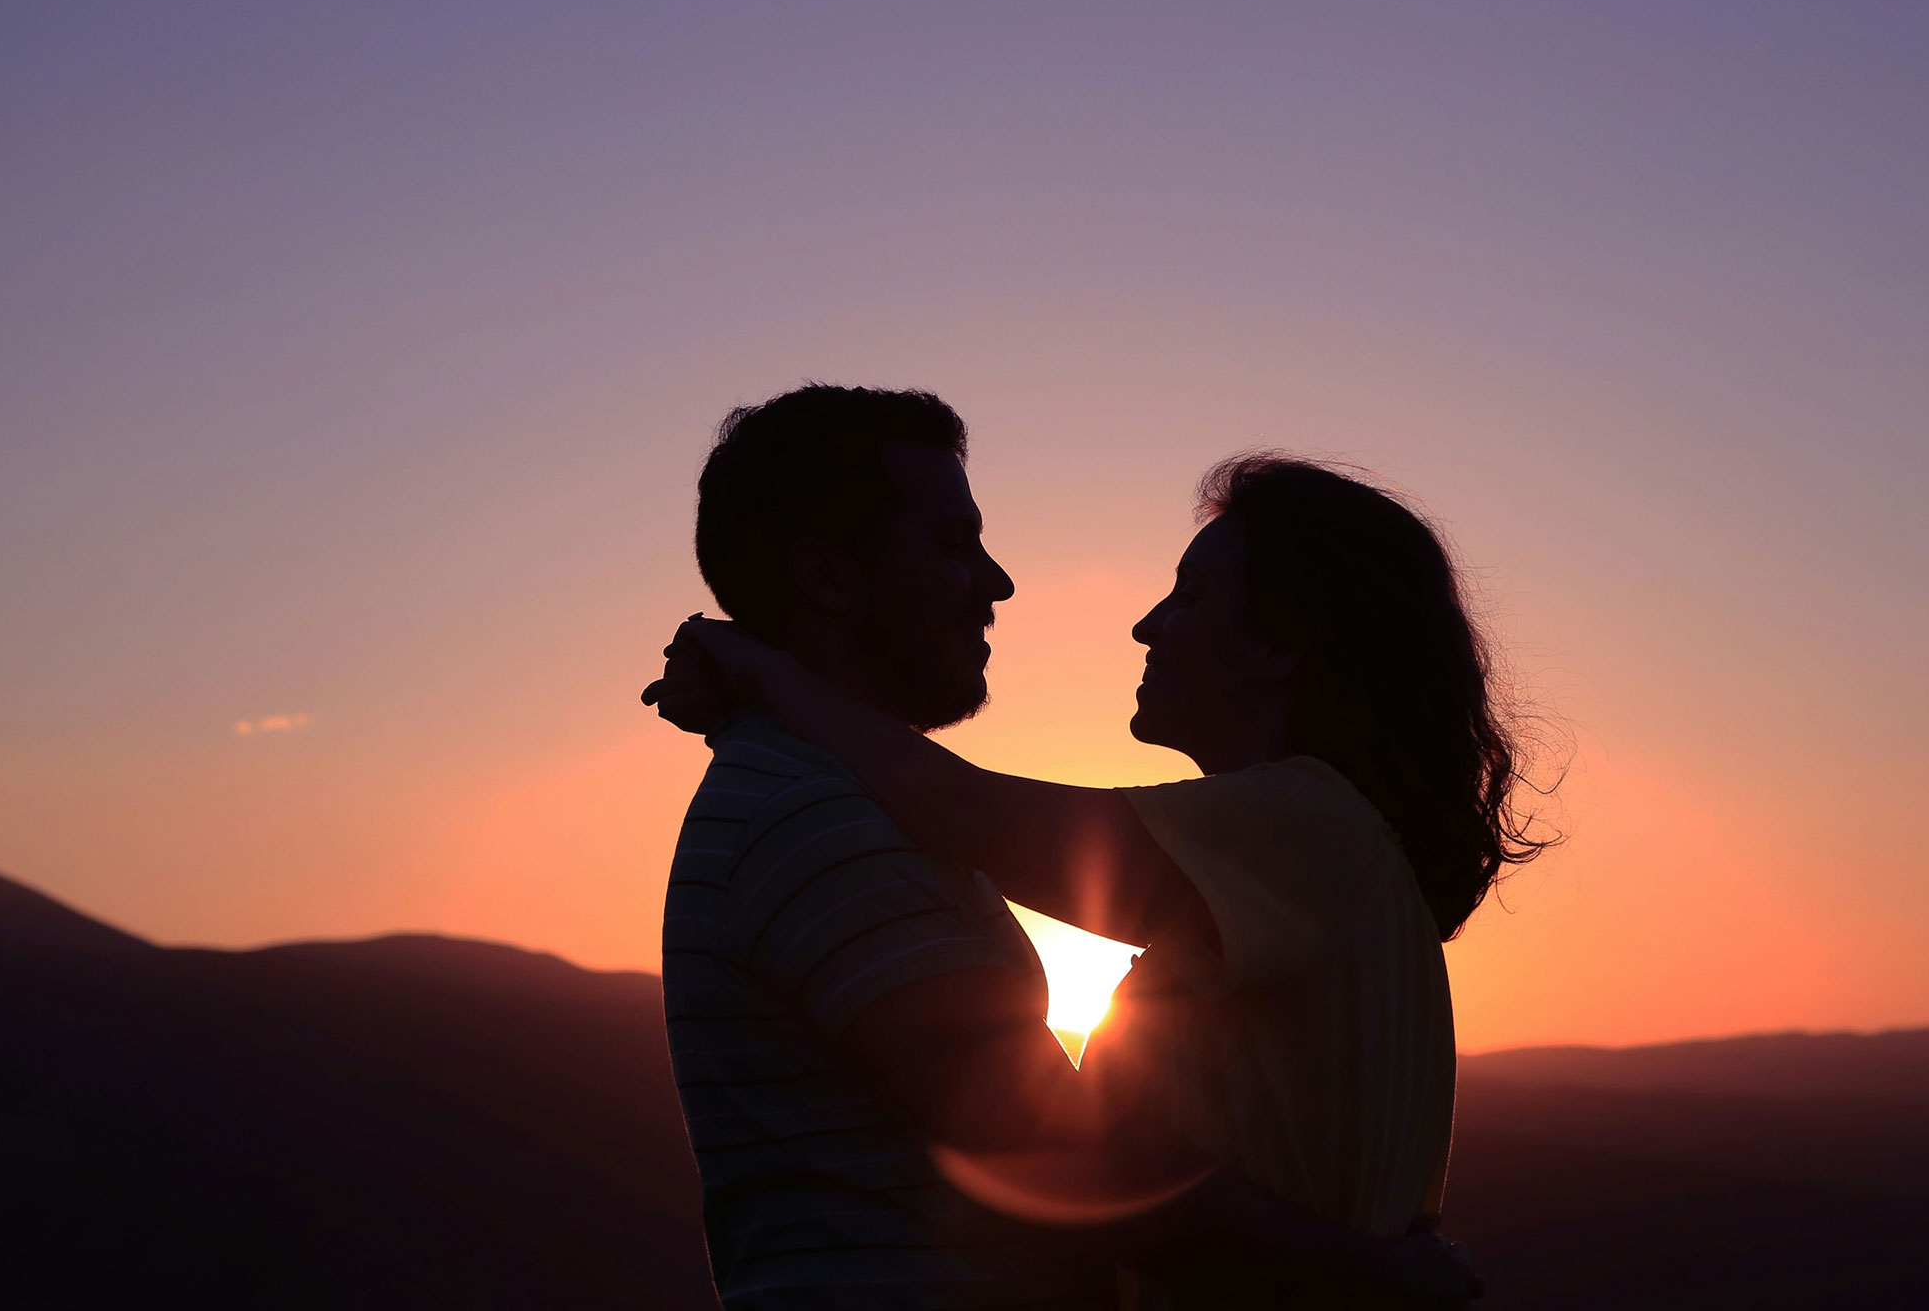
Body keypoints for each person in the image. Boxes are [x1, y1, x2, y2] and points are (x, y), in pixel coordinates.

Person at [656, 440, 1543, 1309]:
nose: (1145, 624)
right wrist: (1377, 1274)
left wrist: (764, 674)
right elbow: (1044, 1137)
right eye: (953, 542)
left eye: (1189, 596)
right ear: (827, 577)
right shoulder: (814, 813)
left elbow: (976, 812)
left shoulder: (1310, 828)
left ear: (1280, 650)